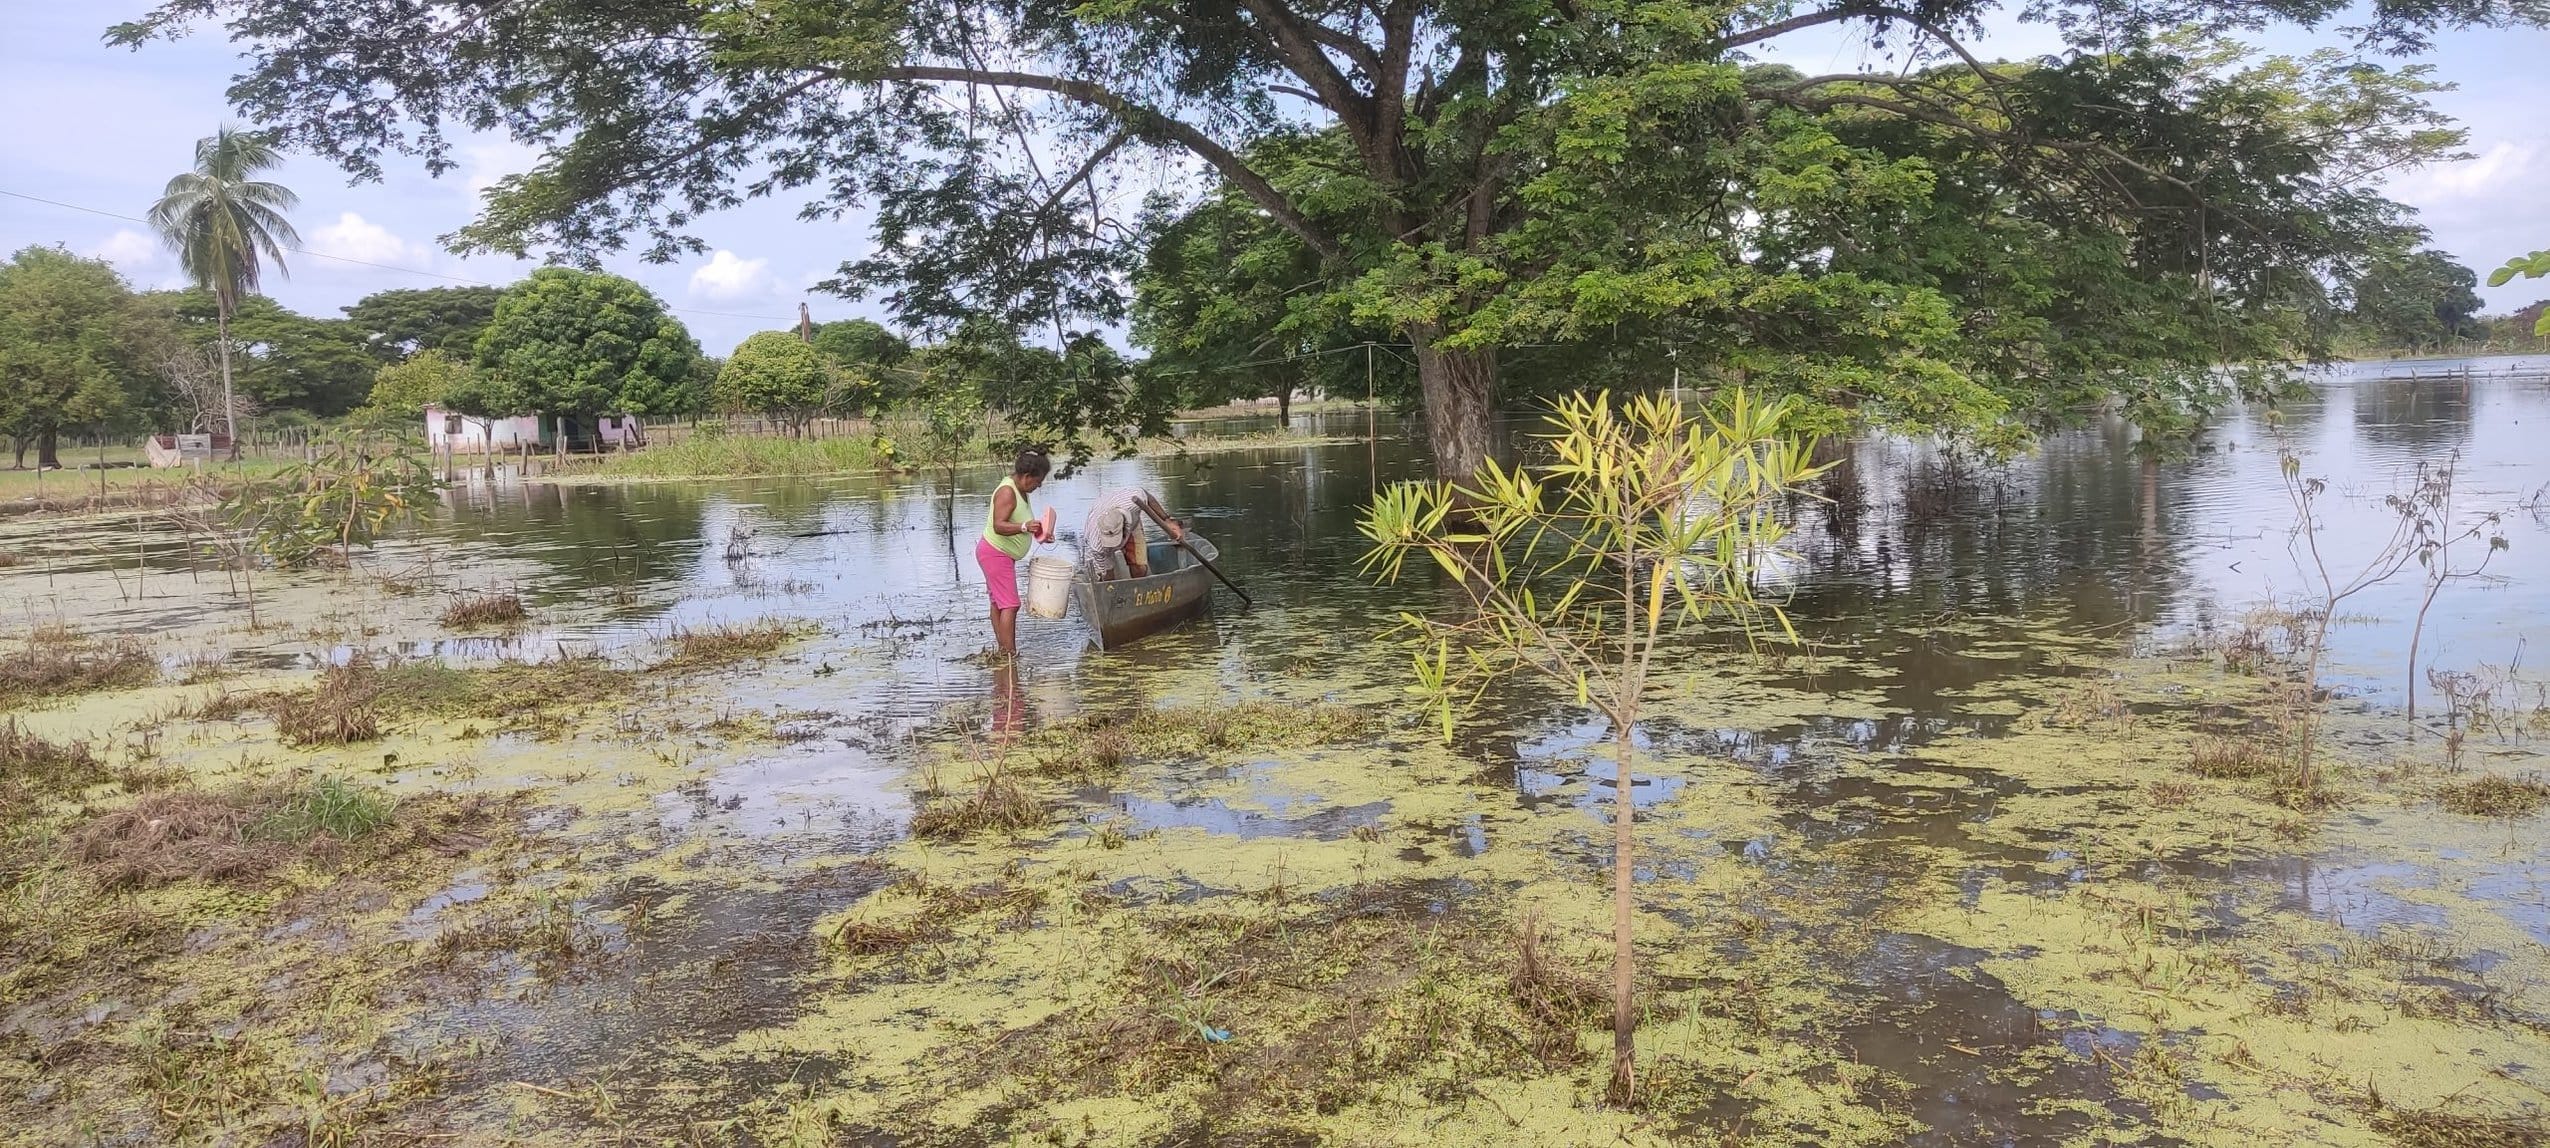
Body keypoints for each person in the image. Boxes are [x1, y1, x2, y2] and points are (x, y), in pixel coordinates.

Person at [978, 449, 1054, 657]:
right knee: (1011, 604)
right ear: (1027, 476)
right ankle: (1009, 654)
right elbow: (998, 525)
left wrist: (1040, 533)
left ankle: (1003, 651)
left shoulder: (1020, 489)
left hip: (1000, 554)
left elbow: (1021, 523)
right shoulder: (1007, 492)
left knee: (999, 603)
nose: (1038, 486)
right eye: (1037, 482)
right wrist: (1023, 527)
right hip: (995, 552)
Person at [1081, 488, 1185, 581]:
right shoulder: (1096, 545)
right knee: (1103, 573)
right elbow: (1107, 571)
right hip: (1101, 537)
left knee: (1139, 568)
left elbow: (1148, 497)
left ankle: (1139, 585)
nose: (1117, 543)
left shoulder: (1132, 503)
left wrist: (1167, 520)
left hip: (1132, 524)